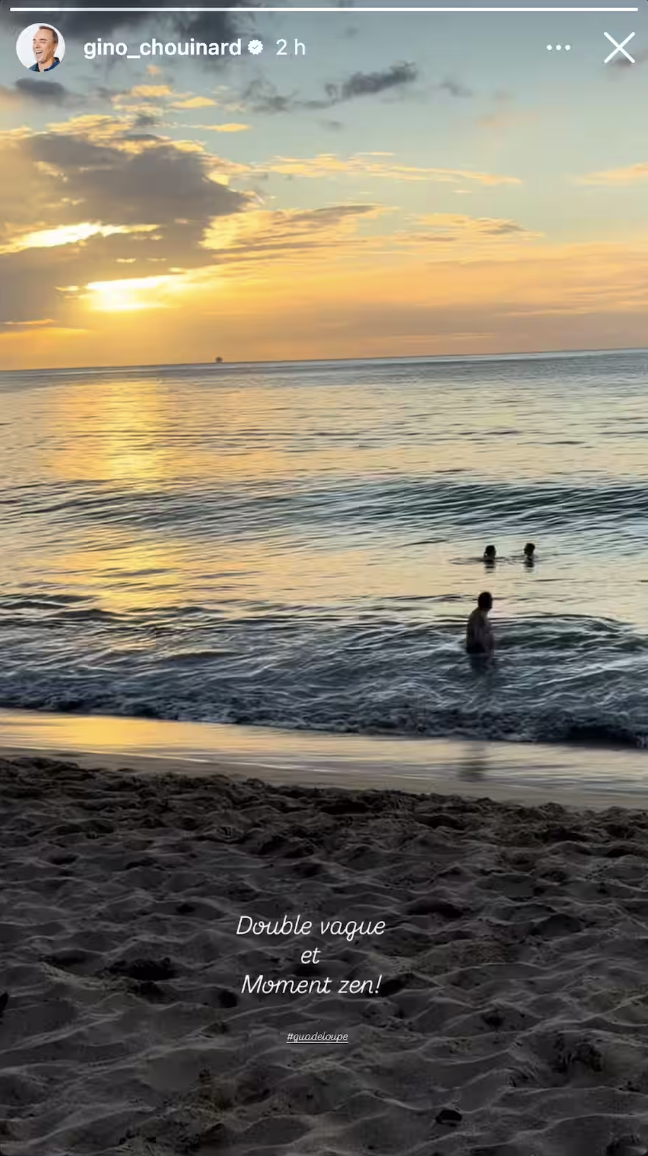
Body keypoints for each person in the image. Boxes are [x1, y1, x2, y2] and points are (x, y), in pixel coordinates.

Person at [466, 591, 494, 656]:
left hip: (482, 651)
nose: (492, 602)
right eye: (490, 600)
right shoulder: (478, 617)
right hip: (479, 653)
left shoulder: (481, 614)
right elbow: (478, 638)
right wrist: (487, 654)